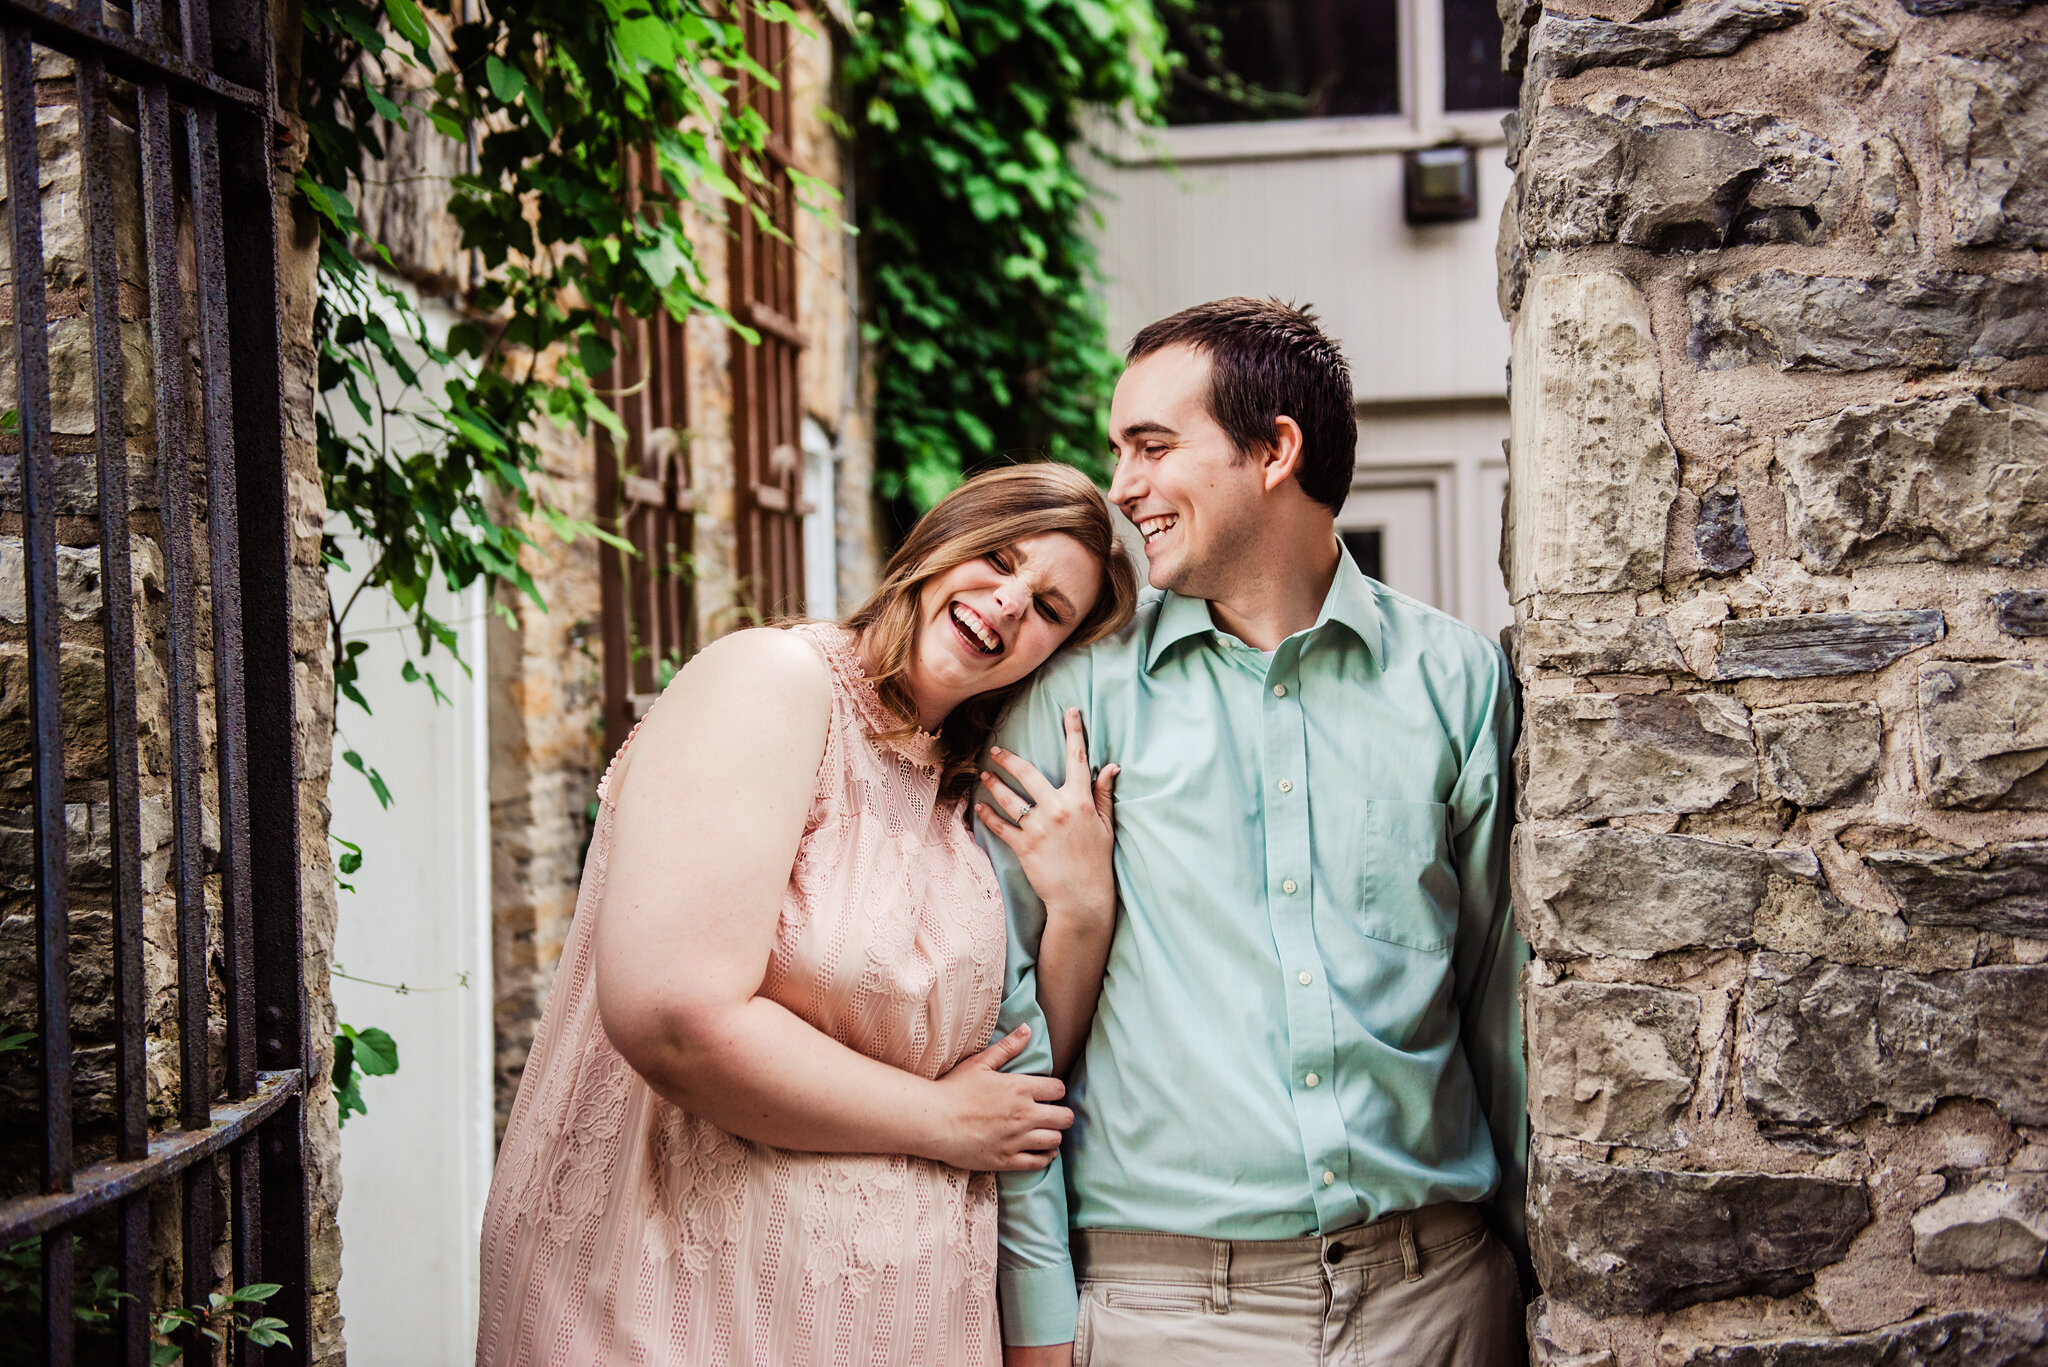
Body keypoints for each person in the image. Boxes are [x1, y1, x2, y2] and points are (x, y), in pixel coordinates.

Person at [475, 463, 1138, 1366]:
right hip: (682, 1315)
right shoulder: (775, 684)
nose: (1011, 601)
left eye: (1051, 608)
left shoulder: (963, 800)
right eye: (998, 555)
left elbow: (1012, 1087)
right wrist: (942, 1122)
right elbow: (674, 1017)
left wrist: (1085, 908)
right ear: (941, 541)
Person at [979, 299, 1528, 1367]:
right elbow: (1007, 1036)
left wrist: (1520, 1265)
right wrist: (1039, 1318)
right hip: (1168, 1313)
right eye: (1117, 451)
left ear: (1274, 449)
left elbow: (1495, 998)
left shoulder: (1454, 679)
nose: (1122, 486)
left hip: (1439, 1300)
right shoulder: (1074, 702)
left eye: (1151, 446)